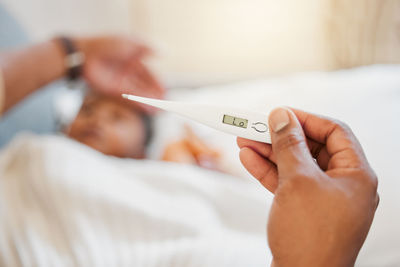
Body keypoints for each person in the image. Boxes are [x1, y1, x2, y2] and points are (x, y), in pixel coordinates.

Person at [0, 36, 378, 266]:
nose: (92, 120)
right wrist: (73, 51)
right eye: (85, 111)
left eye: (115, 115)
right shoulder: (43, 153)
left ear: (142, 144)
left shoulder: (176, 174)